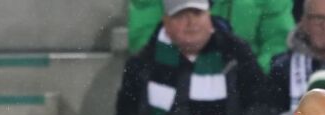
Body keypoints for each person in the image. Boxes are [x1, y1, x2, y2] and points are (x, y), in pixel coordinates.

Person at [113, 0, 268, 115]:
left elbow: (259, 107)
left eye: (197, 13)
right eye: (180, 15)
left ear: (209, 16)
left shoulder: (237, 55)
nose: (191, 22)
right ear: (166, 22)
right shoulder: (143, 63)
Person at [127, 0, 296, 73]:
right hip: (175, 81)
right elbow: (145, 40)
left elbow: (278, 44)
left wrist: (244, 76)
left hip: (244, 87)